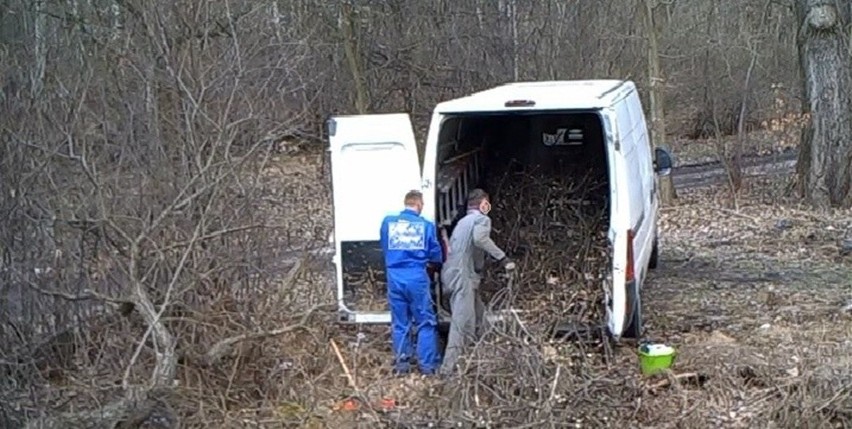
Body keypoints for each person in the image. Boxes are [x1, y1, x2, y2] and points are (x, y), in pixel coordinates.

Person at [439, 189, 515, 376]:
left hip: (452, 274)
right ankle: (448, 369)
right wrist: (503, 258)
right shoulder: (482, 219)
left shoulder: (462, 223)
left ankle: (483, 357)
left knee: (480, 317)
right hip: (462, 277)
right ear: (483, 203)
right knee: (461, 323)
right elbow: (480, 239)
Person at [379, 190, 444, 375]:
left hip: (394, 275)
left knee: (400, 322)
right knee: (425, 321)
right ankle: (427, 366)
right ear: (419, 204)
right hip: (416, 276)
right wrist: (436, 264)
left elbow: (384, 245)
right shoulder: (425, 225)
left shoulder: (388, 222)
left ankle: (402, 365)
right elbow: (435, 253)